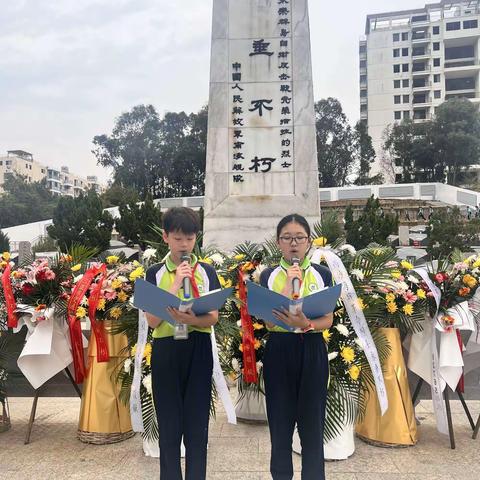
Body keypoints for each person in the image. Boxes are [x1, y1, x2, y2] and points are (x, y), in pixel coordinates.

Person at [145, 207, 221, 480]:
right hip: (167, 350)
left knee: (197, 425)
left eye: (189, 239)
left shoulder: (207, 271)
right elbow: (152, 320)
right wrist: (176, 282)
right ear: (165, 237)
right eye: (178, 238)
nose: (184, 245)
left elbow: (212, 317)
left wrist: (190, 319)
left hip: (198, 349)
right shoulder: (154, 273)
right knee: (169, 425)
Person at [259, 213, 334, 480]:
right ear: (278, 242)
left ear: (309, 242)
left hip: (312, 348)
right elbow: (267, 320)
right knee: (280, 426)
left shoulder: (322, 274)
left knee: (312, 426)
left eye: (299, 238)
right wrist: (289, 285)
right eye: (287, 238)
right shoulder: (268, 275)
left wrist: (307, 323)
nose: (293, 244)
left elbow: (329, 318)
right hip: (280, 349)